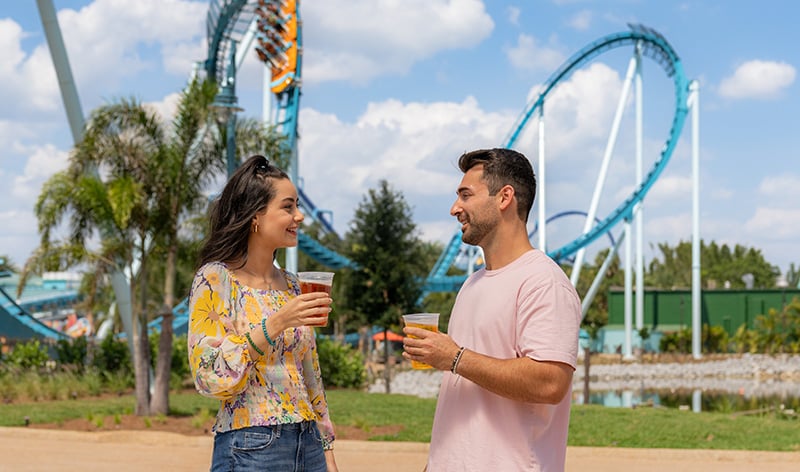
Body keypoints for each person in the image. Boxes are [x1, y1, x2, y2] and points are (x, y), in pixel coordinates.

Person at [402, 148, 582, 471]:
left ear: (504, 198)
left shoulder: (544, 282)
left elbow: (551, 382)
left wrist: (454, 358)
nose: (455, 208)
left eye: (465, 195)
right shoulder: (471, 286)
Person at [187, 154, 339, 472]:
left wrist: (327, 450)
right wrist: (277, 322)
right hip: (252, 442)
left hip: (308, 441)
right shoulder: (215, 280)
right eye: (288, 207)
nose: (299, 216)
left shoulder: (295, 286)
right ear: (256, 215)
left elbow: (310, 375)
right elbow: (209, 376)